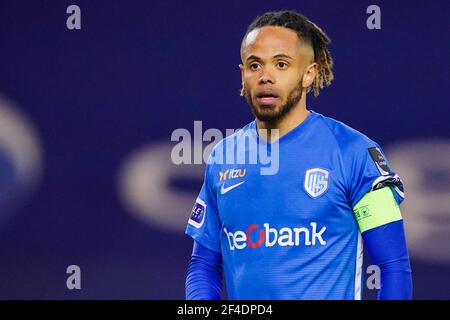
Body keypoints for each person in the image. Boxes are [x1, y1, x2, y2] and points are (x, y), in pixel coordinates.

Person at [185, 10, 412, 300]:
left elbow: (393, 267)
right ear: (242, 74)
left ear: (309, 74)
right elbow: (203, 265)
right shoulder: (224, 156)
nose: (266, 76)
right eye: (255, 65)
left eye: (281, 64)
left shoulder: (355, 153)